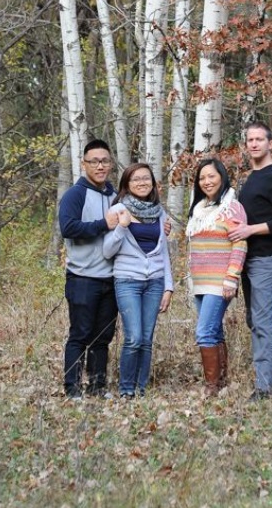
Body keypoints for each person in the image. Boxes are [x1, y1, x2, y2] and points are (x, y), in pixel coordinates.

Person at [228, 121, 272, 400]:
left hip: (267, 258)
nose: (254, 144)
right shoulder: (249, 177)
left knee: (262, 321)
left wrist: (250, 230)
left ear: (271, 143)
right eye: (250, 140)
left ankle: (264, 387)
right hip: (247, 258)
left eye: (259, 139)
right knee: (255, 320)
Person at [103, 163, 173, 399]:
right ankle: (126, 389)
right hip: (127, 281)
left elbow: (164, 253)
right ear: (127, 184)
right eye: (136, 179)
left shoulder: (159, 212)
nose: (142, 183)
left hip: (154, 282)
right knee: (133, 337)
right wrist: (122, 227)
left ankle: (141, 389)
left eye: (146, 178)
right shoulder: (118, 210)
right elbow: (107, 251)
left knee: (146, 339)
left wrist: (168, 287)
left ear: (153, 183)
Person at [59, 139, 120, 400]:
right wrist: (103, 224)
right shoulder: (76, 194)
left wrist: (158, 227)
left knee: (103, 337)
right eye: (94, 161)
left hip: (111, 278)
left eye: (104, 161)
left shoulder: (114, 194)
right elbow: (69, 228)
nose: (100, 166)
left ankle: (97, 386)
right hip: (83, 278)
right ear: (84, 164)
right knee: (80, 335)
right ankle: (72, 388)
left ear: (111, 163)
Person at [186, 158, 247, 395]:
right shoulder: (199, 209)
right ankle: (221, 381)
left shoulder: (232, 206)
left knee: (204, 332)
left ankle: (210, 386)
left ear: (222, 176)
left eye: (211, 176)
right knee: (214, 330)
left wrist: (232, 277)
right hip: (199, 282)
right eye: (202, 177)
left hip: (220, 282)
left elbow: (240, 243)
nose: (206, 181)